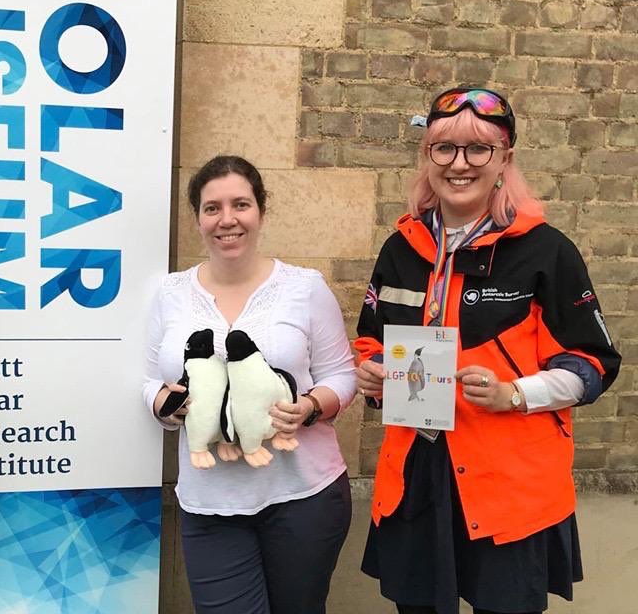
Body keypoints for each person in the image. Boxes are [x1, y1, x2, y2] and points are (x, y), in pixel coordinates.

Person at [355, 87, 621, 614]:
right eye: (445, 148)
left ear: (505, 158)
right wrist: (375, 372)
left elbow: (593, 363)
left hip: (509, 481)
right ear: (427, 157)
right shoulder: (401, 248)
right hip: (418, 474)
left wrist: (515, 394)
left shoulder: (546, 250)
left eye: (478, 149)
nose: (460, 164)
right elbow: (373, 338)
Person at [143, 155, 356, 614]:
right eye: (212, 207)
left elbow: (342, 375)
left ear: (260, 210)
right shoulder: (170, 293)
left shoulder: (305, 287)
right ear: (197, 217)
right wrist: (164, 403)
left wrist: (311, 406)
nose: (227, 220)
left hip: (305, 496)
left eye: (240, 204)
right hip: (210, 503)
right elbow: (145, 380)